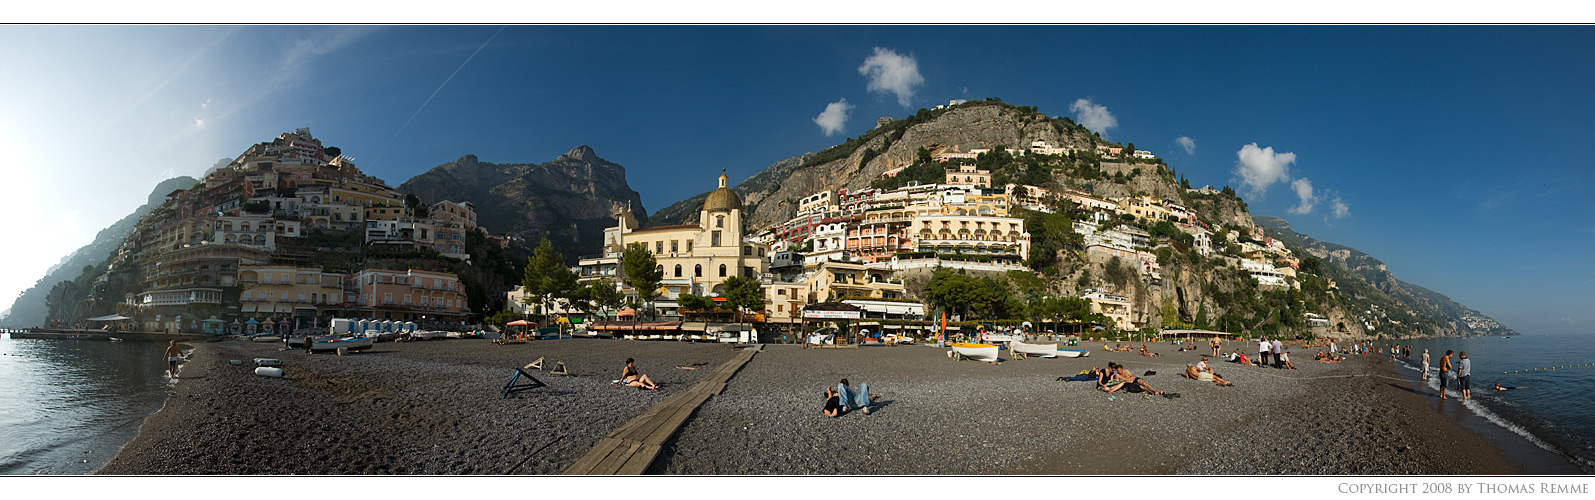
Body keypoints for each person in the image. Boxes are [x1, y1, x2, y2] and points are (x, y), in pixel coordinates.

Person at [1102, 363, 1167, 395]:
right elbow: (1118, 382)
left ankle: (1155, 391)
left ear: (1122, 369)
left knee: (1144, 383)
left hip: (1135, 379)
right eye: (1118, 371)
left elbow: (1133, 376)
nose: (1120, 372)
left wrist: (1126, 379)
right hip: (1130, 383)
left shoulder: (1126, 371)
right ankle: (1152, 392)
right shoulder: (1117, 375)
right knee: (1143, 387)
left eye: (1120, 370)